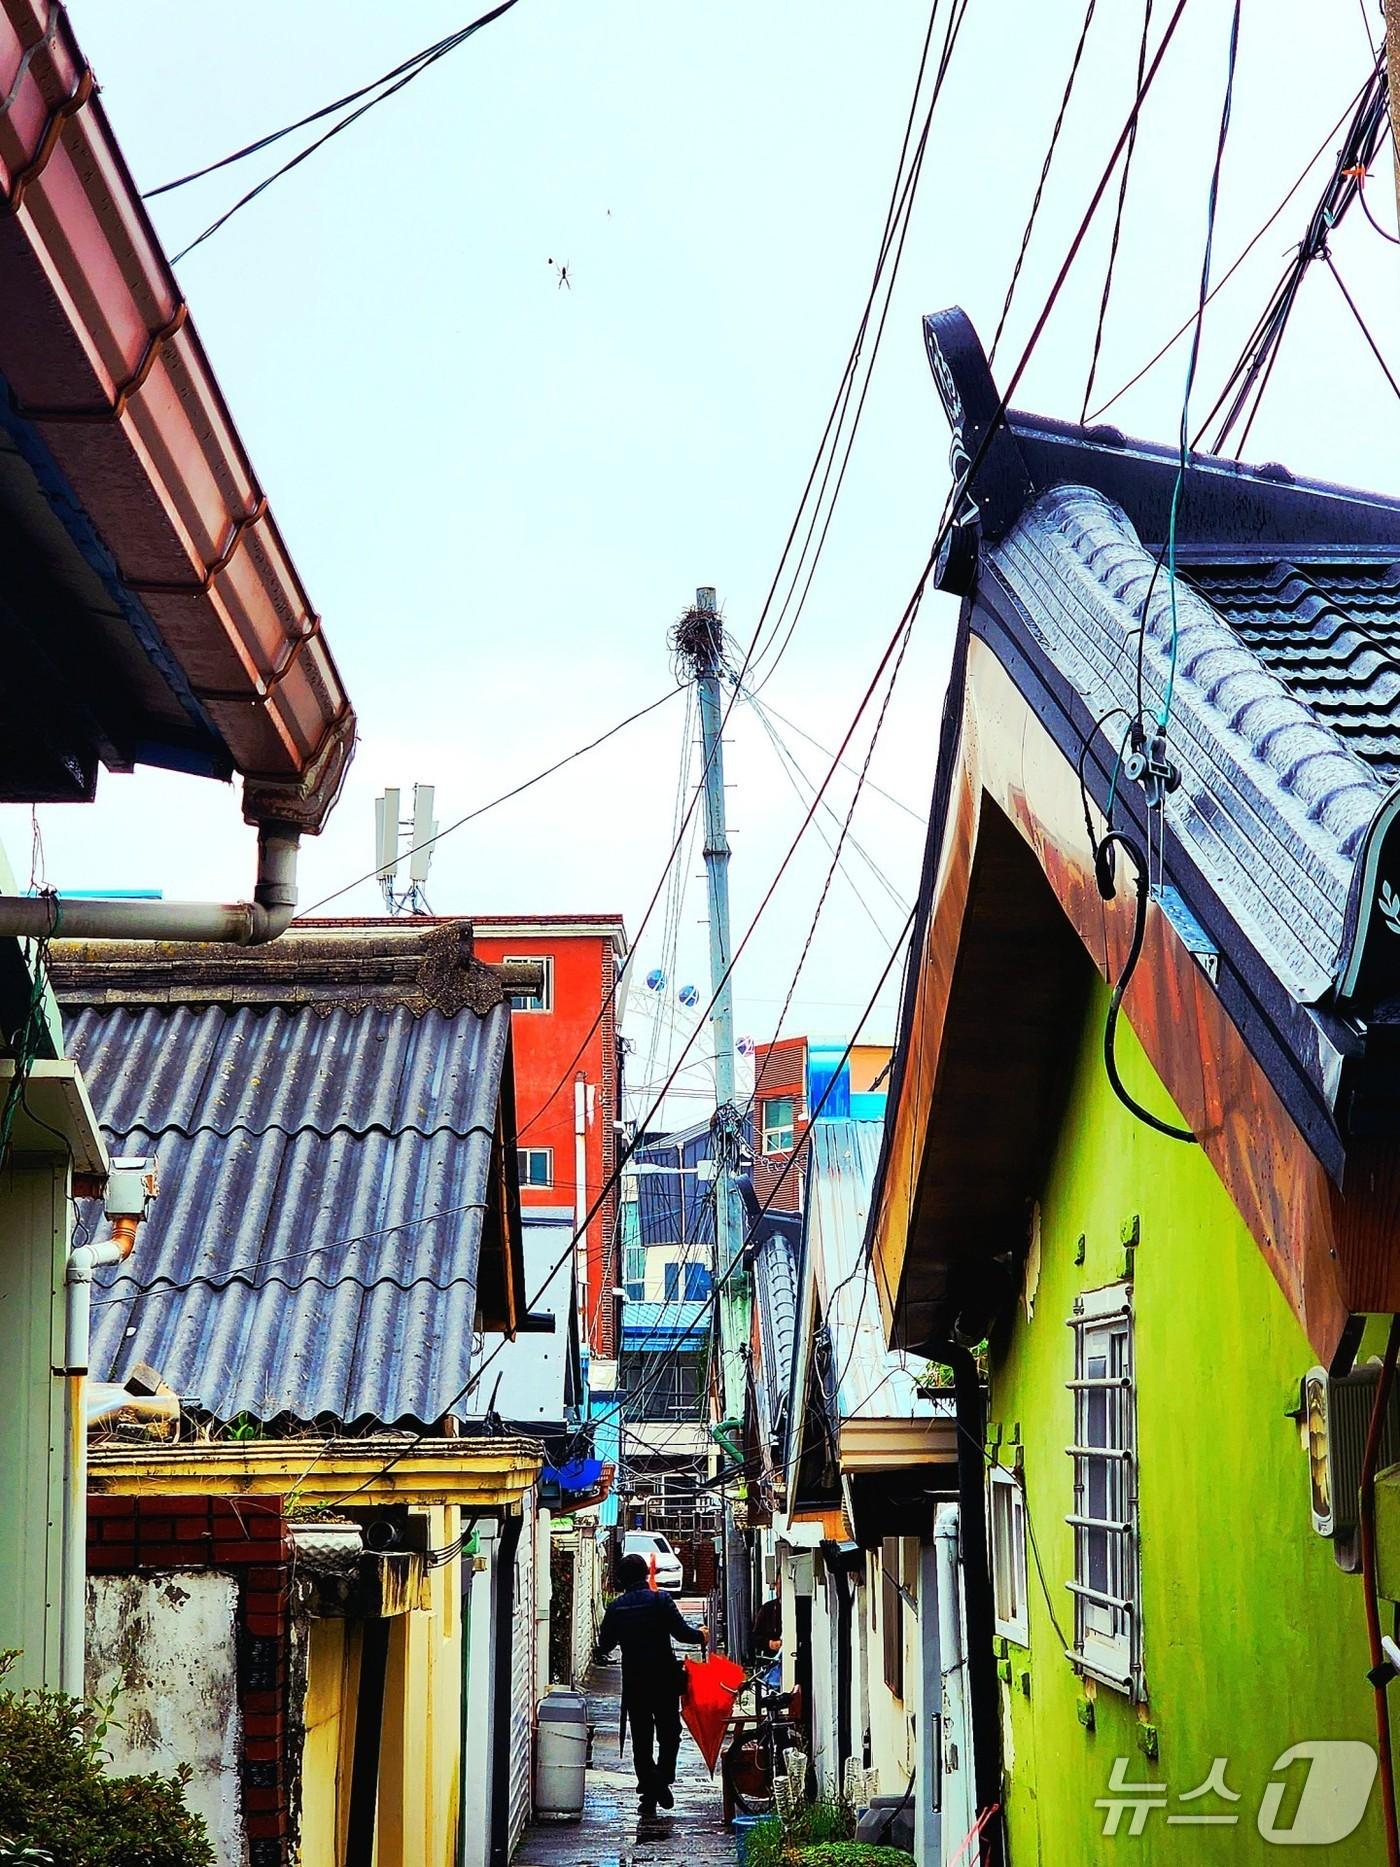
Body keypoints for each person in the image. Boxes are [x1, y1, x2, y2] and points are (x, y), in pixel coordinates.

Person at [597, 1552, 707, 1819]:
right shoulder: (661, 1600)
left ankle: (649, 1790)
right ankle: (660, 1780)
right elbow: (682, 1633)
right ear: (648, 1574)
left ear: (621, 1579)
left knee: (642, 1741)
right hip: (664, 1680)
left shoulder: (616, 1608)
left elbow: (605, 1645)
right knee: (670, 1735)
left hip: (635, 1683)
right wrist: (701, 1635)